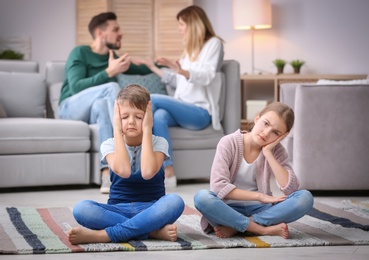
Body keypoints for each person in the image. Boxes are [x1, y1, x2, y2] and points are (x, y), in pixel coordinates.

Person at [67, 84, 185, 245]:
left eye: (138, 117)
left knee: (175, 201)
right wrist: (116, 129)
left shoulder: (159, 143)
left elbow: (147, 172)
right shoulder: (109, 145)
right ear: (117, 118)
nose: (131, 122)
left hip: (151, 209)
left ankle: (104, 235)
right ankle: (150, 231)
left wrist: (148, 129)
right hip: (117, 209)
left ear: (148, 117)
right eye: (124, 117)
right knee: (81, 208)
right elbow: (123, 171)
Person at [59, 12, 154, 193]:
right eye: (115, 29)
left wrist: (157, 65)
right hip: (70, 108)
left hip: (93, 110)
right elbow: (76, 86)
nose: (121, 33)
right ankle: (130, 151)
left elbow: (140, 68)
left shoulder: (113, 57)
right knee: (111, 87)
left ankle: (107, 174)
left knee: (102, 106)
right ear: (100, 33)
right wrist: (109, 72)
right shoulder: (80, 52)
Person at [194, 102, 314, 239]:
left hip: (261, 210)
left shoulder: (277, 151)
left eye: (276, 133)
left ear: (282, 136)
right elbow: (217, 187)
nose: (266, 133)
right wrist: (259, 196)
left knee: (305, 198)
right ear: (257, 118)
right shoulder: (228, 142)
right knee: (202, 197)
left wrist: (268, 153)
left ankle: (238, 226)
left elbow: (291, 189)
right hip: (227, 210)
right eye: (266, 123)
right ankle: (261, 229)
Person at [137, 5, 224, 188]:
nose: (179, 28)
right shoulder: (188, 51)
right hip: (182, 108)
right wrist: (153, 67)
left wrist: (181, 70)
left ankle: (126, 125)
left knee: (151, 99)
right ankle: (168, 172)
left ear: (193, 24)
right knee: (158, 116)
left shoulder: (214, 44)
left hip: (199, 112)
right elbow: (177, 81)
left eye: (182, 24)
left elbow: (207, 75)